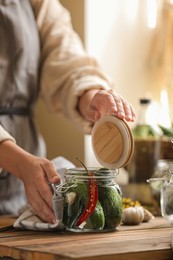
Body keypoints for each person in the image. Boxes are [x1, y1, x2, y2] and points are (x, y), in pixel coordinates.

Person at [0, 0, 135, 224]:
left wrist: (93, 98)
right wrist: (20, 163)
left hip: (22, 196)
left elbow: (66, 60)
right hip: (24, 166)